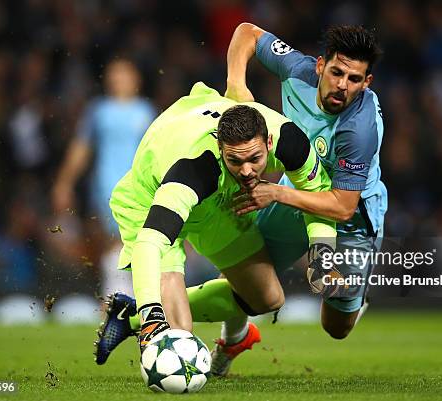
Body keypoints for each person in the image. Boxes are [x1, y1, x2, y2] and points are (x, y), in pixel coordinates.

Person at [93, 82, 337, 364]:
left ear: (269, 143)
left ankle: (130, 317)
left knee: (267, 299)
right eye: (235, 160)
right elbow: (150, 241)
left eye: (255, 159)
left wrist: (323, 259)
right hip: (149, 197)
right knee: (180, 338)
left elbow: (318, 196)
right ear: (221, 149)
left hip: (218, 201)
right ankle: (148, 314)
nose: (247, 171)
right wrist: (153, 317)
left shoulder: (290, 142)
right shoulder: (194, 171)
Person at [207, 23, 388, 375]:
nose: (341, 85)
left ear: (367, 84)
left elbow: (342, 205)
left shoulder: (360, 128)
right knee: (246, 272)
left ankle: (355, 297)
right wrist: (236, 83)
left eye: (354, 79)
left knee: (336, 327)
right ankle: (233, 340)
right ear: (320, 66)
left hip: (352, 213)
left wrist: (274, 191)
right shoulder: (297, 70)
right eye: (336, 72)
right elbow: (247, 33)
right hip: (299, 190)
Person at [52, 59, 156, 297]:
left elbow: (156, 152)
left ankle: (123, 298)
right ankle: (115, 297)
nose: (119, 79)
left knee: (135, 242)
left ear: (135, 79)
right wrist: (64, 182)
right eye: (114, 74)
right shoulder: (98, 111)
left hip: (138, 187)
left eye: (124, 74)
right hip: (105, 186)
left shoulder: (146, 111)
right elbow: (81, 147)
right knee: (112, 242)